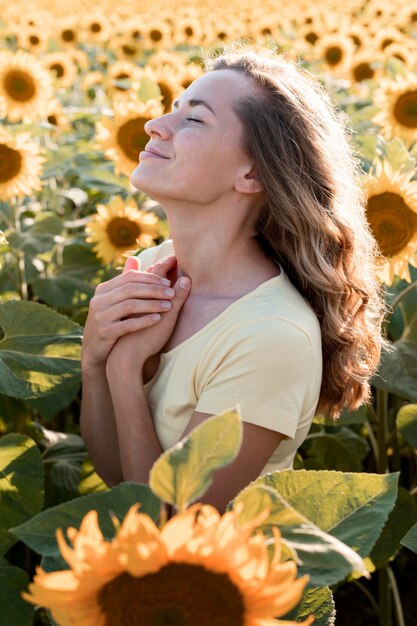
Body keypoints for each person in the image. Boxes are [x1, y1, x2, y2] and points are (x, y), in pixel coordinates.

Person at [80, 45, 385, 512]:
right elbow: (115, 473)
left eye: (194, 120)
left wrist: (122, 371)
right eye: (173, 109)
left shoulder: (269, 336)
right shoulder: (158, 265)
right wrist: (94, 360)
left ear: (252, 173)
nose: (155, 125)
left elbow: (170, 524)